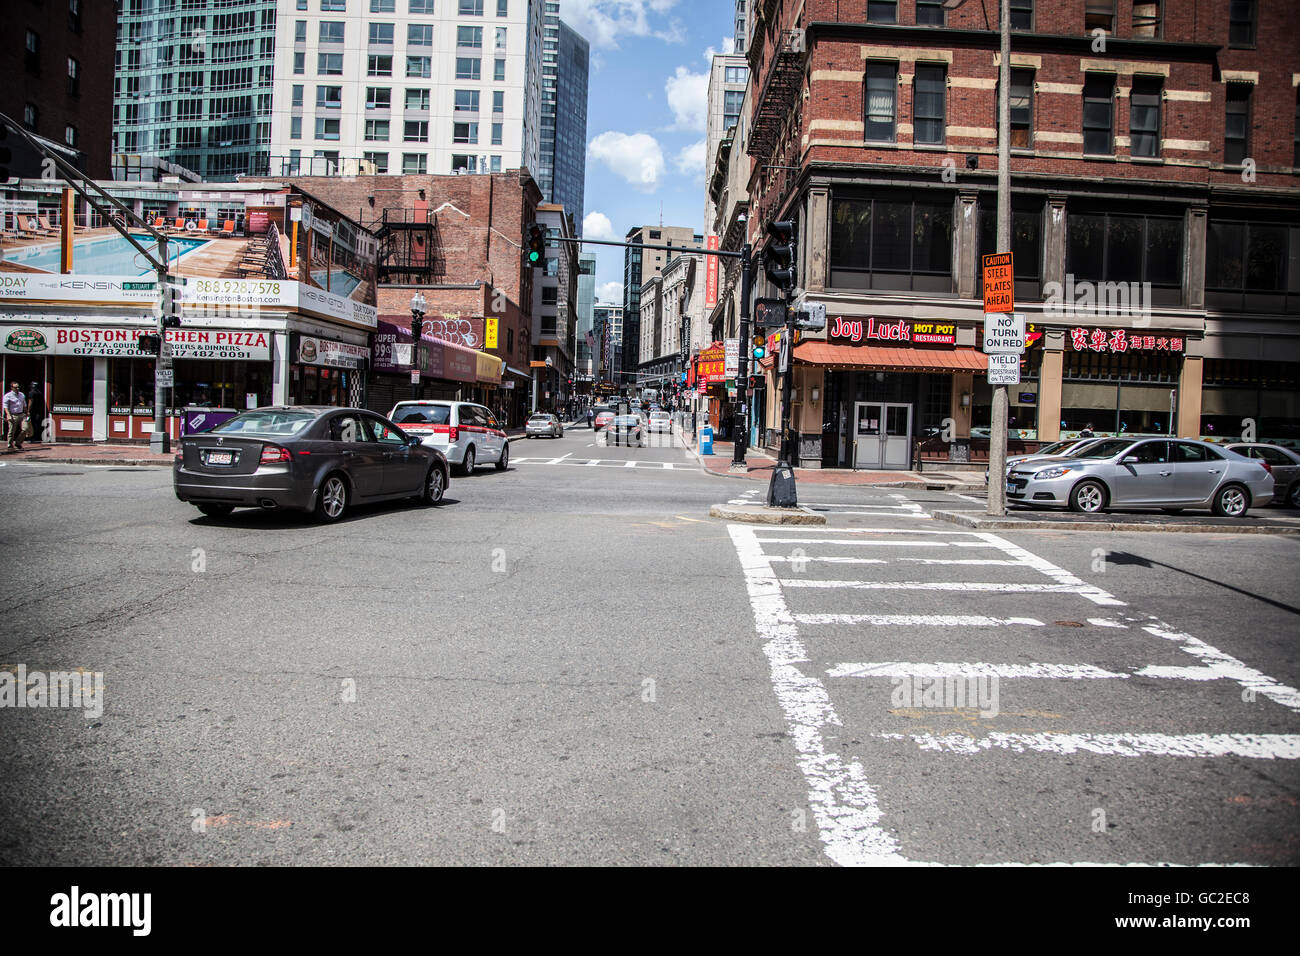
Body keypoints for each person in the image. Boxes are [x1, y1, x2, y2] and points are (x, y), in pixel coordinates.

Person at [3, 382, 27, 451]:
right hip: (13, 414)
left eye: (18, 387)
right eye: (15, 387)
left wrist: (27, 412)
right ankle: (10, 445)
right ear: (12, 388)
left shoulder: (21, 395)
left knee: (25, 428)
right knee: (12, 431)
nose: (17, 388)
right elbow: (5, 407)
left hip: (21, 414)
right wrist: (8, 415)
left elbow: (24, 404)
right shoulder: (8, 396)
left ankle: (18, 443)